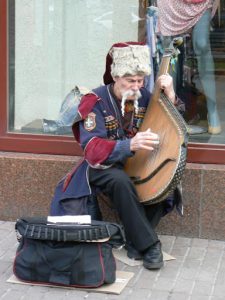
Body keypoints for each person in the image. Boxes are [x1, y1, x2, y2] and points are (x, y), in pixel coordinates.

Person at [50, 42, 184, 270]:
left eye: (141, 80)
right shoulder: (95, 101)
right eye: (130, 81)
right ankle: (150, 245)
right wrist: (128, 145)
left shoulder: (144, 97)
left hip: (137, 164)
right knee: (119, 180)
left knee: (163, 181)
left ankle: (135, 243)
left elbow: (174, 123)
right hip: (102, 167)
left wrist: (170, 94)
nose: (137, 87)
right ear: (116, 76)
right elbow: (92, 149)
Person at [157, 0, 221, 134]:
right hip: (171, 3)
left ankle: (212, 108)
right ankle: (172, 114)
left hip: (201, 2)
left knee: (202, 45)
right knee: (170, 49)